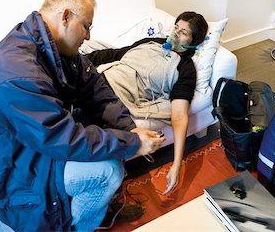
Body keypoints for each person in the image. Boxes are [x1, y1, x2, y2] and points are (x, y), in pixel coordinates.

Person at [0, 0, 165, 231]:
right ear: (65, 16)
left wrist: (129, 129)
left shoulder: (53, 47)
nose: (88, 36)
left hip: (32, 145)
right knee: (109, 170)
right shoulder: (18, 72)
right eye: (87, 26)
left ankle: (94, 204)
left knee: (107, 135)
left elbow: (95, 89)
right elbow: (63, 138)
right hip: (16, 172)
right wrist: (132, 143)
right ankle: (80, 224)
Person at [86, 11, 208, 195]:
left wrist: (177, 165)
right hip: (100, 78)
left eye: (183, 32)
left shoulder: (184, 69)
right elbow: (116, 54)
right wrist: (75, 62)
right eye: (176, 27)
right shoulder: (153, 42)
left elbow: (179, 116)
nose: (175, 33)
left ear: (192, 42)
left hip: (115, 96)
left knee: (82, 131)